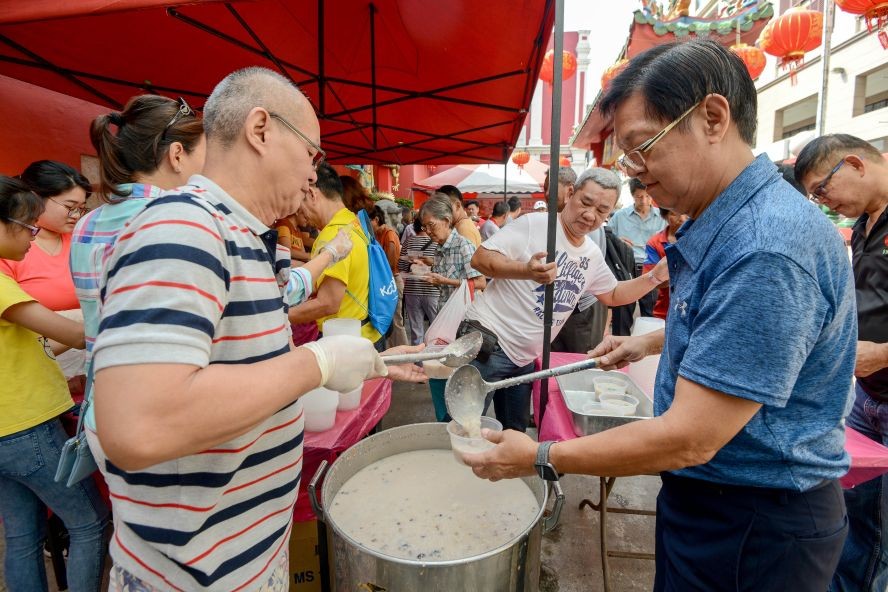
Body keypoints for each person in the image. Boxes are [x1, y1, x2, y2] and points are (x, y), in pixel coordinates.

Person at [465, 39, 855, 591]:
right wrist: (650, 344)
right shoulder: (728, 220)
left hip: (755, 518)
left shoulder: (766, 246)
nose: (634, 173)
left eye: (641, 147)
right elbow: (730, 327)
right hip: (712, 497)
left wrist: (540, 455)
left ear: (713, 118)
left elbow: (692, 436)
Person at [89, 68, 423, 591]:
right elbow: (138, 424)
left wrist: (371, 363)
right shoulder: (184, 227)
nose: (315, 174)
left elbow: (239, 371)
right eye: (311, 152)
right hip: (191, 574)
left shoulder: (238, 236)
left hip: (241, 555)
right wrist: (319, 363)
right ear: (261, 129)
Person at [459, 167, 667, 432]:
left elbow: (613, 294)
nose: (590, 215)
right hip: (488, 343)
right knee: (464, 426)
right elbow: (481, 259)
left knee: (514, 432)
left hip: (524, 359)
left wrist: (654, 278)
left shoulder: (591, 253)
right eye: (586, 202)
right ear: (571, 193)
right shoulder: (535, 224)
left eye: (602, 210)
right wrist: (526, 271)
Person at [0, 176, 109, 592]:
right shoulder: (2, 283)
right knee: (90, 523)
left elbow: (31, 346)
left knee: (24, 535)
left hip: (6, 430)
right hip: (25, 427)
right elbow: (75, 335)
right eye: (26, 226)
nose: (32, 237)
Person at [795, 134, 888, 592]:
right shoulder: (867, 226)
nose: (823, 202)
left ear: (853, 164)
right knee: (855, 511)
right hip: (868, 397)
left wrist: (884, 353)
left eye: (821, 189)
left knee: (879, 536)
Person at [289, 162, 384, 346]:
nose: (300, 212)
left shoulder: (334, 234)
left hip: (347, 342)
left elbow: (328, 302)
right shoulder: (355, 223)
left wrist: (279, 316)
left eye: (300, 202)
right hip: (368, 333)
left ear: (312, 194)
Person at [417, 194, 486, 421]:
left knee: (458, 376)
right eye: (424, 227)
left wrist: (443, 281)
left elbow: (480, 282)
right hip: (446, 320)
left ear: (446, 220)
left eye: (431, 225)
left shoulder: (463, 245)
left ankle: (460, 420)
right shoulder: (438, 249)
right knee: (442, 371)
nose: (428, 231)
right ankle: (446, 421)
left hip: (464, 323)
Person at [549, 169, 624, 355]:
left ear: (569, 191)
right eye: (545, 187)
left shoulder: (583, 225)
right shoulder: (556, 220)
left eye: (601, 210)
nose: (547, 193)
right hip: (557, 307)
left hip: (582, 306)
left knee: (579, 360)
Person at [607, 177, 665, 317]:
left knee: (651, 312)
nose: (644, 201)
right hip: (625, 268)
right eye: (639, 197)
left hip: (651, 267)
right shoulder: (620, 217)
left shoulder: (662, 218)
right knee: (622, 313)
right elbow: (606, 239)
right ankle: (620, 338)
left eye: (647, 196)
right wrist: (618, 241)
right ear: (633, 195)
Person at [369, 205, 408, 347]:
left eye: (368, 221)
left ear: (376, 219)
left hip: (391, 281)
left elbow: (391, 263)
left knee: (396, 321)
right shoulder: (378, 235)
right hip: (387, 281)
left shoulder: (389, 234)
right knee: (389, 320)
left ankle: (404, 352)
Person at [399, 217, 440, 345]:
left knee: (416, 331)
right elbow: (441, 266)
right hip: (432, 290)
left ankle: (418, 363)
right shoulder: (436, 243)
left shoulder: (408, 242)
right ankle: (435, 360)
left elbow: (401, 266)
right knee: (437, 328)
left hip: (412, 290)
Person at [642, 206, 688, 320]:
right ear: (665, 216)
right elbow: (650, 280)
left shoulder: (699, 238)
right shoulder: (654, 243)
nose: (682, 219)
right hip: (664, 312)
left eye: (685, 214)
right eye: (674, 214)